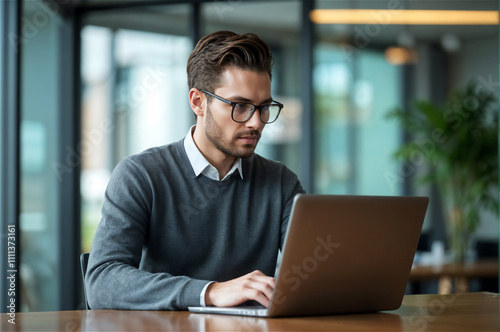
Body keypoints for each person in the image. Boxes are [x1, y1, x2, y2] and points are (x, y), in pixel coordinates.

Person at [86, 30, 305, 311]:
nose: (256, 122)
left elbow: (315, 275)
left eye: (264, 107)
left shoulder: (281, 182)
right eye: (240, 106)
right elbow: (102, 282)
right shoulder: (141, 175)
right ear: (198, 102)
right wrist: (209, 292)